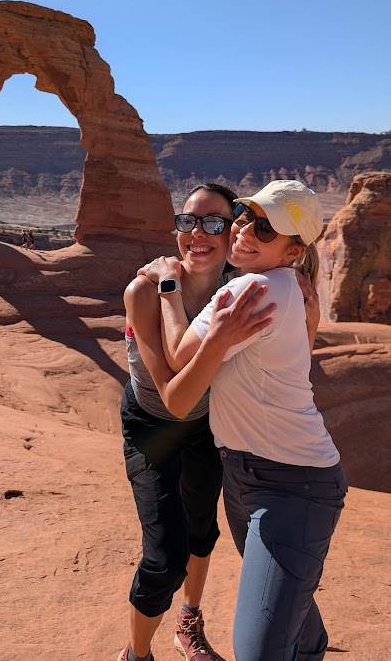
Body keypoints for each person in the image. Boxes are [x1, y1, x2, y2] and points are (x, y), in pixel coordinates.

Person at [140, 180, 347, 661]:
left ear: (293, 248)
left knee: (257, 652)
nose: (243, 230)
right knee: (286, 611)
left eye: (265, 227)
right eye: (244, 215)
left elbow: (175, 356)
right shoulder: (290, 284)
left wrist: (168, 285)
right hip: (247, 476)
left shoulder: (251, 287)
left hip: (292, 486)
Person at [118, 184, 276, 661]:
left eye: (214, 223)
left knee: (202, 532)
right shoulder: (145, 290)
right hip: (152, 425)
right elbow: (174, 393)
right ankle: (137, 654)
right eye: (188, 222)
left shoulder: (240, 285)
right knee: (163, 556)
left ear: (233, 233)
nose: (198, 234)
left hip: (207, 427)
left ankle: (188, 621)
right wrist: (170, 288)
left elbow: (291, 266)